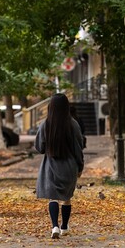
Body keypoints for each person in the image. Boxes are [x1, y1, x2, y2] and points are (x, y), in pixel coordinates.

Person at [35, 93, 85, 239]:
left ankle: (54, 226)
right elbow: (78, 148)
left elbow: (39, 146)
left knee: (53, 197)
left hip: (51, 165)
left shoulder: (46, 124)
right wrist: (80, 167)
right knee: (67, 197)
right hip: (70, 167)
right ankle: (64, 227)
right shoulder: (73, 124)